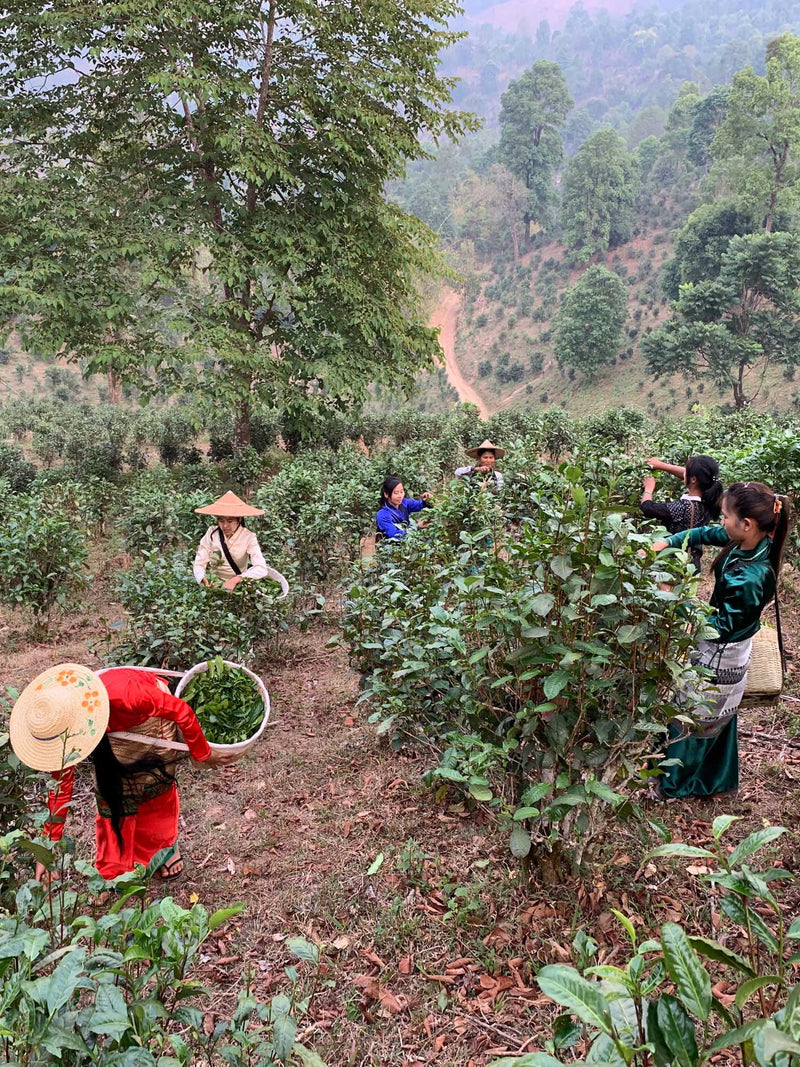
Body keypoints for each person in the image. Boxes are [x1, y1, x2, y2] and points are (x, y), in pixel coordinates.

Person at [10, 663, 236, 881]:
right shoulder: (63, 729)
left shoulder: (128, 694)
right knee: (113, 797)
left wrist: (204, 754)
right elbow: (60, 789)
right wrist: (46, 850)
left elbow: (181, 711)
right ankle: (115, 865)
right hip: (110, 735)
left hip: (148, 720)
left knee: (155, 787)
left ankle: (164, 849)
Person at [652, 481, 790, 798]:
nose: (721, 522)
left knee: (696, 717)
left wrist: (678, 603)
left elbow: (723, 626)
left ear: (747, 524)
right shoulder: (745, 541)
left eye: (725, 516)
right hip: (717, 648)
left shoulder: (753, 575)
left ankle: (676, 785)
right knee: (714, 715)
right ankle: (715, 778)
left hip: (722, 654)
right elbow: (703, 534)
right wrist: (669, 542)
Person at [193, 491, 287, 594]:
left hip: (238, 588)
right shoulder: (212, 533)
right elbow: (199, 563)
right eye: (221, 521)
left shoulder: (248, 537)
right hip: (214, 586)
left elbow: (261, 568)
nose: (225, 526)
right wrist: (202, 578)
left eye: (229, 521)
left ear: (239, 520)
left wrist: (236, 580)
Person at [641, 455, 723, 572]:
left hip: (673, 567)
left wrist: (648, 488)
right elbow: (691, 475)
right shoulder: (710, 501)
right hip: (692, 567)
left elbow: (647, 508)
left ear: (693, 479)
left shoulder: (682, 507)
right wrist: (661, 465)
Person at [376, 476, 432, 540]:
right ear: (386, 494)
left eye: (401, 492)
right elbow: (394, 535)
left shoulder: (404, 503)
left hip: (408, 540)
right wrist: (417, 527)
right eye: (396, 493)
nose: (400, 496)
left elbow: (419, 505)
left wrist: (426, 500)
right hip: (393, 547)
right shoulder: (383, 514)